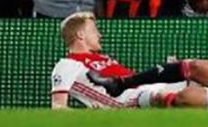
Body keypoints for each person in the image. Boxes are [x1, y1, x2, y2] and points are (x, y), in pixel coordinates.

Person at [50, 11, 185, 109]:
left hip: (145, 88)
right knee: (174, 96)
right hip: (129, 101)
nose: (99, 35)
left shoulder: (102, 58)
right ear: (81, 35)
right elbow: (58, 106)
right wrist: (87, 117)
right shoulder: (67, 65)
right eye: (94, 30)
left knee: (191, 75)